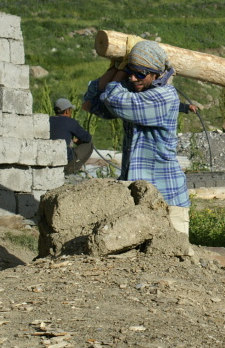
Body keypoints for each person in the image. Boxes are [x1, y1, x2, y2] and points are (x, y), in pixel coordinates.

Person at [81, 40, 190, 235]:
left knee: (172, 251)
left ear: (156, 74)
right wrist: (115, 68)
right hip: (136, 196)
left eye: (140, 74)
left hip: (166, 197)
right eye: (130, 71)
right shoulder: (134, 93)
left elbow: (113, 98)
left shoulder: (164, 96)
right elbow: (91, 103)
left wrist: (120, 73)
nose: (132, 78)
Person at [49, 98, 93, 175]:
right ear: (67, 111)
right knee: (89, 145)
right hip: (64, 158)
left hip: (49, 157)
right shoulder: (70, 122)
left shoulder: (48, 120)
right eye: (70, 110)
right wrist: (78, 141)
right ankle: (70, 170)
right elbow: (87, 138)